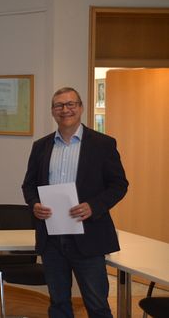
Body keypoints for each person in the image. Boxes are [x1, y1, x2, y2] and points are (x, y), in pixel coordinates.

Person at [22, 87, 128, 318]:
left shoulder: (103, 144)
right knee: (58, 304)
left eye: (70, 104)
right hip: (51, 239)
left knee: (97, 305)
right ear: (52, 111)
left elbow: (119, 185)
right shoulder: (41, 146)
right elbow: (28, 185)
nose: (65, 109)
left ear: (80, 108)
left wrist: (94, 206)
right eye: (59, 105)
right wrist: (34, 204)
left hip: (89, 237)